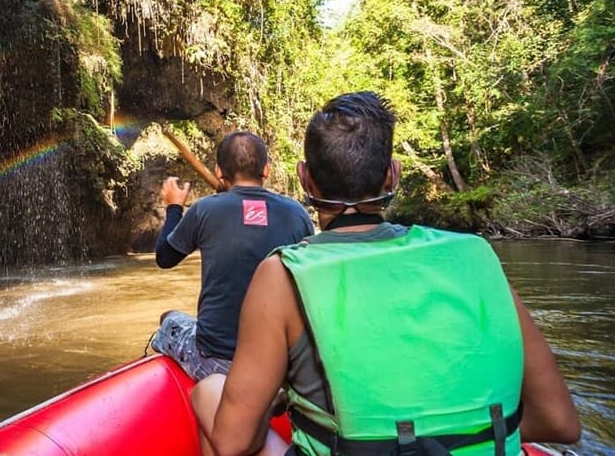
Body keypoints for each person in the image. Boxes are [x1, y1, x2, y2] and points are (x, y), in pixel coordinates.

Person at [191, 92, 582, 456]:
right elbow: (559, 422)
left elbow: (233, 442)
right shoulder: (477, 255)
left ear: (305, 179)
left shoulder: (282, 274)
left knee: (208, 390)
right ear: (392, 175)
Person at [151, 131, 314, 381]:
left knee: (169, 319)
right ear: (267, 169)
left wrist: (174, 206)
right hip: (281, 361)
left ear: (218, 171)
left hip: (218, 359)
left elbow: (164, 258)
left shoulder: (205, 209)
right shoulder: (297, 213)